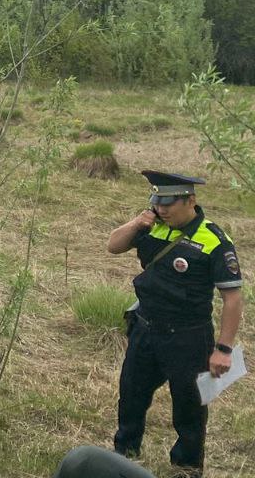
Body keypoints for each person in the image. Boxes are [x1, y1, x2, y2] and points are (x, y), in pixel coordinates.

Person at [108, 170, 243, 477]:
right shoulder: (152, 226)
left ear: (190, 200)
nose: (162, 209)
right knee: (131, 397)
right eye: (157, 201)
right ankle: (124, 457)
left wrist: (223, 349)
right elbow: (113, 246)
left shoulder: (214, 239)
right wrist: (137, 222)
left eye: (168, 202)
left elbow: (233, 299)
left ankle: (186, 468)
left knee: (189, 410)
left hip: (187, 337)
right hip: (145, 330)